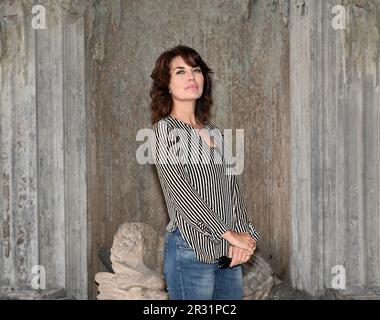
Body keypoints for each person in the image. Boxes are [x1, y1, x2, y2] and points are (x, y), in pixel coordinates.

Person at [150, 45, 261, 300]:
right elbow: (182, 194)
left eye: (196, 70)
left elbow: (232, 190)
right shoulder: (164, 130)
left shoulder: (215, 132)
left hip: (227, 252)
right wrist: (231, 235)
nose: (191, 77)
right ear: (166, 84)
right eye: (180, 72)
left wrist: (246, 238)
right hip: (190, 250)